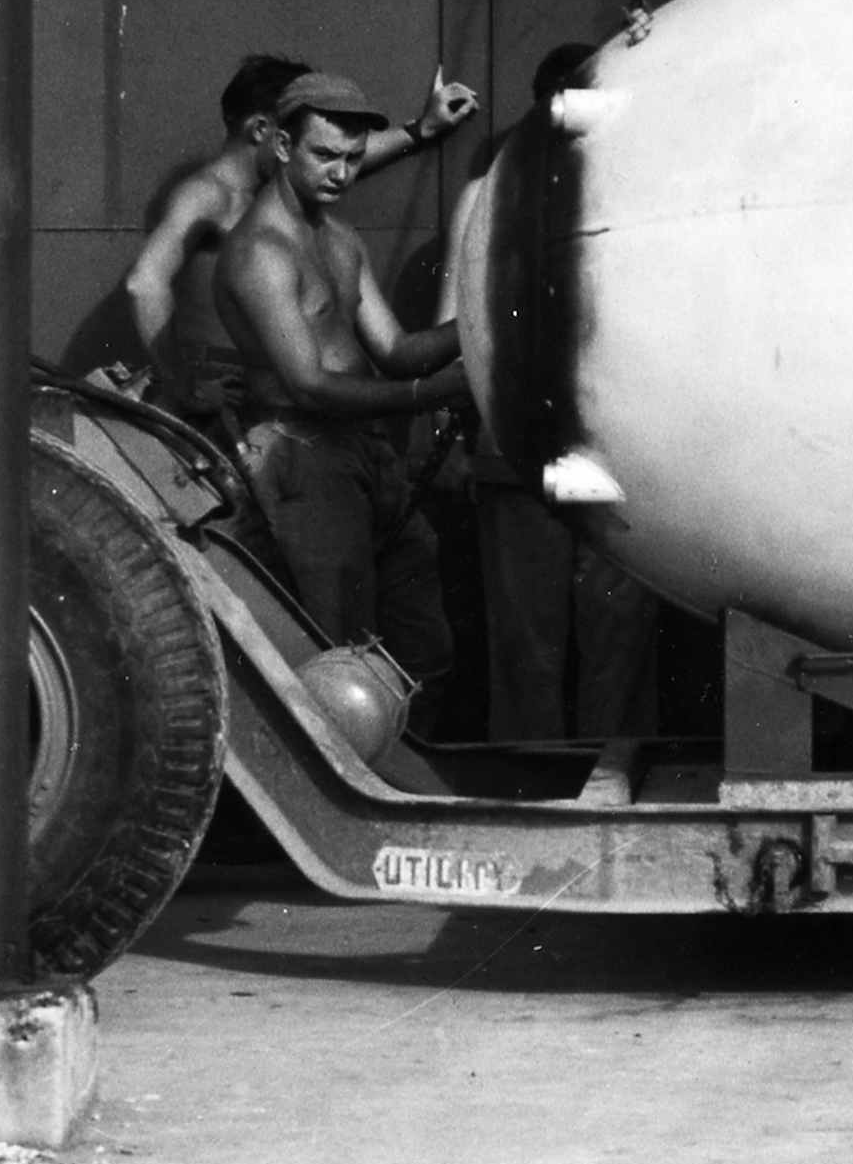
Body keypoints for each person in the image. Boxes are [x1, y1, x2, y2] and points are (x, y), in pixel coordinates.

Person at [215, 72, 468, 701]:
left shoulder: (341, 239)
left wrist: (483, 321)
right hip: (303, 458)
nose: (342, 173)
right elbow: (307, 385)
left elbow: (398, 352)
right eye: (325, 155)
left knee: (423, 646)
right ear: (280, 146)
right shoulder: (259, 250)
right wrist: (429, 396)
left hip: (367, 456)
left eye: (354, 158)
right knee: (341, 655)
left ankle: (404, 761)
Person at [113, 54, 479, 428]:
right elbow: (144, 284)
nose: (341, 172)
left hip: (286, 392)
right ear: (266, 132)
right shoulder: (209, 193)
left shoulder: (279, 187)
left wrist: (421, 129)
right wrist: (184, 385)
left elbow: (340, 155)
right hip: (227, 393)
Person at [470, 43, 664, 738]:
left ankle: (602, 767)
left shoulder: (637, 195)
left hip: (602, 451)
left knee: (613, 639)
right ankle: (539, 773)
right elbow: (461, 325)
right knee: (537, 641)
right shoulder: (495, 196)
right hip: (527, 453)